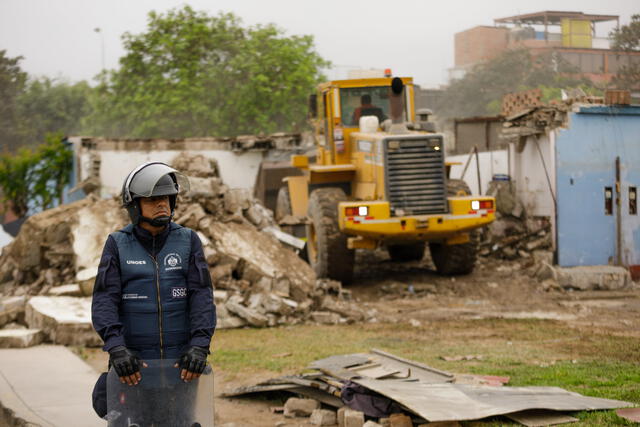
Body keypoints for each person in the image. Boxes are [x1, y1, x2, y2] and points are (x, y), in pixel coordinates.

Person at [91, 161, 216, 421]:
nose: (163, 204)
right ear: (134, 206)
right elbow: (104, 301)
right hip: (134, 367)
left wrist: (199, 347)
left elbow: (202, 297)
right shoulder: (117, 244)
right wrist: (117, 350)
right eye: (153, 199)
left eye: (167, 198)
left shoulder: (188, 241)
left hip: (180, 367)